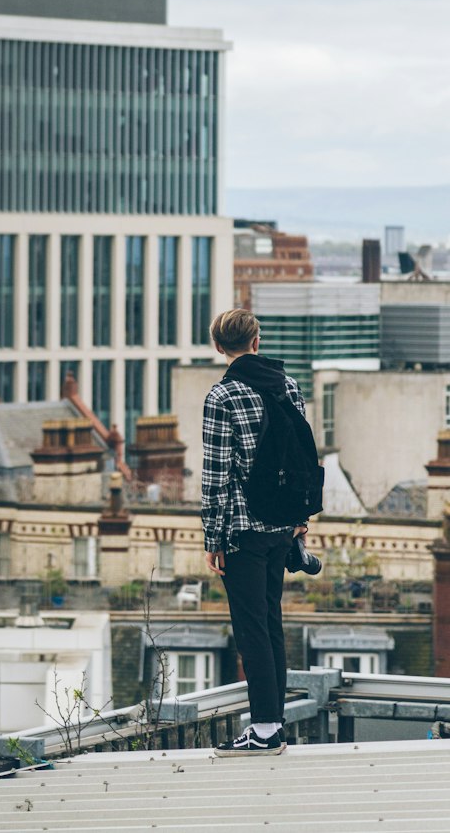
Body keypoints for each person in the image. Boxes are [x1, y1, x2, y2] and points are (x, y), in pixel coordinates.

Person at [201, 307, 318, 756]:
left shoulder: (222, 396)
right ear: (256, 341)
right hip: (283, 527)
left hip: (242, 530)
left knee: (251, 629)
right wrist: (300, 521)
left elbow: (215, 476)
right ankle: (273, 723)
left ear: (218, 347)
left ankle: (265, 729)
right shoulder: (287, 385)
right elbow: (303, 455)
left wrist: (213, 540)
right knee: (271, 625)